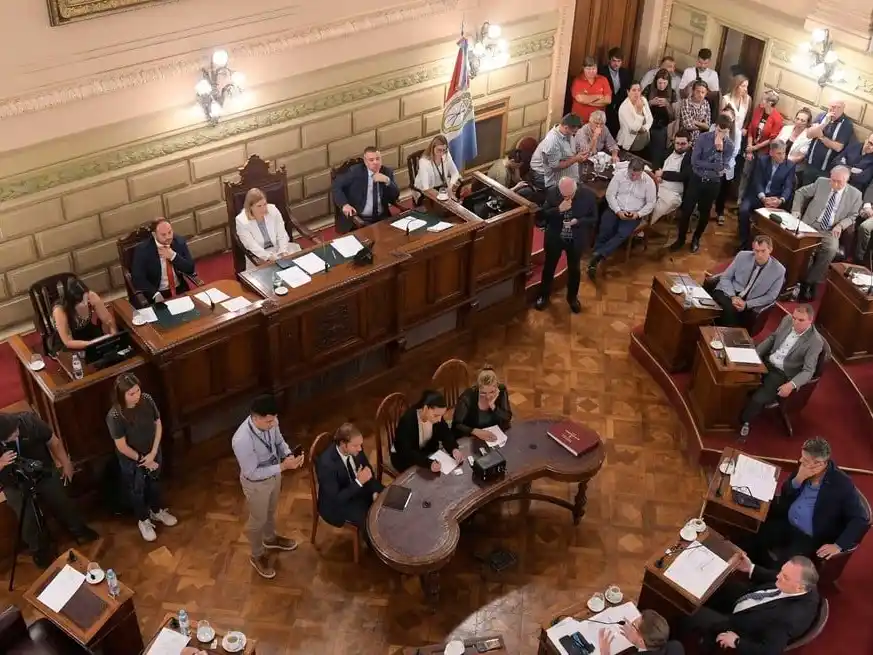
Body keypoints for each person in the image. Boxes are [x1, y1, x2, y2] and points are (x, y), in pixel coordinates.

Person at [743, 437, 869, 568]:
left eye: (806, 460)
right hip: (787, 522)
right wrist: (798, 479)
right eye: (802, 457)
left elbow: (860, 519)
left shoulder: (841, 484)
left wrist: (838, 545)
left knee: (784, 568)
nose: (801, 461)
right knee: (752, 539)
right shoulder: (803, 467)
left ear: (819, 464)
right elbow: (786, 492)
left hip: (808, 537)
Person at [0, 411, 98, 567]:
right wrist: (1, 463)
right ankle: (39, 550)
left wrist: (66, 463)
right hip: (13, 483)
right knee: (27, 519)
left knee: (62, 501)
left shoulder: (29, 422)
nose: (17, 433)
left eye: (16, 429)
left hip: (42, 471)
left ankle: (79, 530)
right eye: (12, 435)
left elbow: (54, 442)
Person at [683, 553, 819, 654]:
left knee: (692, 614)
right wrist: (750, 568)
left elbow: (769, 652)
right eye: (782, 571)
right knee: (720, 585)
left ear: (800, 588)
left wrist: (737, 642)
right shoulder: (805, 584)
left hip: (738, 625)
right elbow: (774, 576)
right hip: (751, 599)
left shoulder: (787, 620)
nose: (778, 576)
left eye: (785, 577)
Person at [231, 395, 304, 579]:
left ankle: (270, 539)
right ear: (255, 418)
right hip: (256, 484)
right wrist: (282, 466)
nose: (273, 424)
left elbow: (279, 442)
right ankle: (256, 555)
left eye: (274, 419)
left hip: (275, 473)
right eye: (269, 421)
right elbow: (252, 473)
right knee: (257, 520)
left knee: (270, 511)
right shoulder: (241, 440)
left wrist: (288, 455)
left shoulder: (272, 421)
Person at [105, 373, 177, 542]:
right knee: (137, 489)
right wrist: (143, 459)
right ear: (121, 395)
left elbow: (157, 423)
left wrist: (153, 453)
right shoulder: (115, 415)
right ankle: (143, 519)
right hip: (133, 460)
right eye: (131, 393)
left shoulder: (147, 399)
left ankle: (157, 510)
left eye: (137, 390)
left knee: (155, 482)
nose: (136, 395)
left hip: (152, 451)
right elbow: (121, 445)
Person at [738, 305, 824, 440]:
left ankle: (744, 421)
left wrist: (791, 385)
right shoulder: (787, 320)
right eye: (794, 317)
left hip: (781, 373)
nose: (795, 322)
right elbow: (773, 338)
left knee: (757, 399)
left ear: (810, 321)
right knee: (738, 376)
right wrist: (756, 353)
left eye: (800, 320)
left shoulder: (815, 342)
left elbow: (808, 370)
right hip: (768, 360)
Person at [791, 166, 862, 300]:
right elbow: (800, 192)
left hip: (830, 229)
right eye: (832, 180)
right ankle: (796, 280)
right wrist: (796, 211)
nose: (834, 184)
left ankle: (810, 282)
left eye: (838, 182)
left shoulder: (855, 195)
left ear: (846, 181)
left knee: (831, 249)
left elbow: (853, 216)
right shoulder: (821, 182)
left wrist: (841, 225)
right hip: (810, 225)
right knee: (806, 248)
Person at [669, 113, 734, 253]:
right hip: (696, 180)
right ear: (715, 127)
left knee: (704, 214)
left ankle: (696, 239)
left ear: (729, 131)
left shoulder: (729, 146)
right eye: (719, 131)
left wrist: (719, 150)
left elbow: (721, 168)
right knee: (686, 211)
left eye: (724, 132)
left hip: (713, 184)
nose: (721, 135)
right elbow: (694, 162)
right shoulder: (702, 138)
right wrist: (713, 166)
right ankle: (680, 240)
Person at [535, 178, 598, 313]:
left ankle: (572, 298)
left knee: (574, 270)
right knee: (549, 268)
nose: (567, 197)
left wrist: (578, 221)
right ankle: (544, 296)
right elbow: (542, 215)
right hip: (555, 237)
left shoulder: (588, 195)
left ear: (576, 189)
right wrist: (558, 209)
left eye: (570, 195)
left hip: (575, 238)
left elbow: (593, 218)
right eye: (564, 195)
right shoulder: (552, 192)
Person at [587, 158, 657, 279]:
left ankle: (598, 255)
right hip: (615, 209)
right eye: (632, 174)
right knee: (605, 228)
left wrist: (638, 214)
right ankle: (596, 258)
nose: (634, 177)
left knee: (622, 233)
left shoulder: (648, 182)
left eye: (637, 175)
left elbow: (651, 203)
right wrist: (618, 211)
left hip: (633, 213)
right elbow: (610, 194)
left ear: (642, 172)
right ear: (628, 169)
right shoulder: (619, 175)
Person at [315, 422, 383, 531]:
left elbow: (367, 469)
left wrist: (373, 491)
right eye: (355, 446)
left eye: (360, 444)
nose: (360, 449)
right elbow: (336, 499)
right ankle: (374, 544)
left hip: (354, 489)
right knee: (368, 521)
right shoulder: (326, 465)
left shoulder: (356, 448)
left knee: (385, 495)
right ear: (343, 444)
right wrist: (359, 482)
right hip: (337, 505)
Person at [712, 235, 785, 328]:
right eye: (756, 251)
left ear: (770, 249)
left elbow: (771, 296)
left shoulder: (779, 270)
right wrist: (733, 296)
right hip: (729, 293)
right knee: (728, 309)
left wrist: (747, 304)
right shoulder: (742, 255)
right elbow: (726, 277)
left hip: (749, 302)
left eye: (763, 251)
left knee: (734, 314)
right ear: (753, 248)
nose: (759, 255)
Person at [737, 141, 796, 250]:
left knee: (774, 220)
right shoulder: (761, 160)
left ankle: (766, 246)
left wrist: (781, 200)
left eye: (784, 153)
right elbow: (757, 181)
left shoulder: (790, 166)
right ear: (771, 153)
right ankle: (743, 243)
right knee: (743, 211)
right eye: (779, 153)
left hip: (774, 199)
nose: (782, 156)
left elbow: (788, 187)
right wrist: (763, 198)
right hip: (757, 195)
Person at [331, 146, 400, 233]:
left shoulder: (386, 172)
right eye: (371, 160)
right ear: (365, 161)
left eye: (378, 159)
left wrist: (388, 181)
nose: (375, 162)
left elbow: (395, 196)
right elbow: (336, 186)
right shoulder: (354, 172)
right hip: (359, 218)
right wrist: (344, 205)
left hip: (381, 218)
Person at [391, 390, 461, 473]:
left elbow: (445, 433)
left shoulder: (436, 417)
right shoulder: (408, 421)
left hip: (424, 452)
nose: (439, 419)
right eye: (436, 415)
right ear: (425, 408)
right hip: (404, 458)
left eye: (441, 416)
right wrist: (428, 463)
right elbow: (406, 451)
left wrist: (453, 449)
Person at [131, 218, 197, 304]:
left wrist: (173, 256)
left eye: (170, 232)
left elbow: (190, 269)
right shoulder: (143, 250)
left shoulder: (179, 242)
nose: (168, 237)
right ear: (154, 235)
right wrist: (154, 293)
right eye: (163, 235)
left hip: (179, 290)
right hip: (157, 293)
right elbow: (137, 278)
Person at [235, 187, 300, 270]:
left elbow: (282, 233)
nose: (263, 208)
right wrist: (269, 256)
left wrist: (283, 251)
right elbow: (251, 245)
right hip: (259, 255)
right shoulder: (241, 220)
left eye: (265, 204)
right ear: (250, 207)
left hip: (278, 248)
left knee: (297, 266)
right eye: (259, 206)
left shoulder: (273, 210)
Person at [737, 90, 784, 202]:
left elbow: (771, 139)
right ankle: (740, 199)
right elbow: (751, 129)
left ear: (770, 103)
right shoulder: (758, 110)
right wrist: (749, 147)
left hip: (764, 151)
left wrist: (754, 148)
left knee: (757, 176)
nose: (761, 101)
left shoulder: (777, 118)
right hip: (751, 146)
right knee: (745, 173)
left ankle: (751, 201)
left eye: (764, 99)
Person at [51, 277, 116, 352]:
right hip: (68, 341)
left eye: (86, 298)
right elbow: (68, 342)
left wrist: (113, 335)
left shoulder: (90, 296)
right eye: (81, 302)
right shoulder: (59, 310)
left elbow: (108, 321)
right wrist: (91, 344)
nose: (86, 303)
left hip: (87, 331)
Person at [802, 99, 854, 186]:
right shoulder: (822, 116)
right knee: (804, 191)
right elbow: (809, 134)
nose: (834, 110)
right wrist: (823, 123)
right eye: (832, 107)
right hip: (810, 164)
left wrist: (821, 137)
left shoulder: (846, 124)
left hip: (827, 170)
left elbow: (838, 147)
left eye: (838, 107)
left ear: (843, 109)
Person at [452, 366, 513, 439]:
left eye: (492, 392)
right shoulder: (467, 397)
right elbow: (456, 425)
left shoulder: (502, 391)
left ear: (497, 387)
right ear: (478, 388)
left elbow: (507, 417)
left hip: (494, 436)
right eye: (483, 393)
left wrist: (493, 406)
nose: (488, 397)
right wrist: (474, 431)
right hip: (472, 437)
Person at [528, 114, 585, 189]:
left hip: (554, 168)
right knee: (568, 190)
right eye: (573, 132)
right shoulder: (552, 142)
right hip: (542, 175)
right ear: (566, 127)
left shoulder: (565, 133)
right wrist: (575, 159)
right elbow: (556, 166)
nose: (574, 134)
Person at [650, 130, 691, 225]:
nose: (680, 146)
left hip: (674, 192)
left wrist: (663, 174)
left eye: (683, 144)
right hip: (658, 183)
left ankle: (643, 226)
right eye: (677, 143)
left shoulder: (691, 157)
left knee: (658, 207)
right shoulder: (671, 149)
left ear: (689, 143)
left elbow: (683, 176)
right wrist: (657, 172)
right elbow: (657, 159)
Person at [598, 609, 683, 655]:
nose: (630, 624)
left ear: (641, 641)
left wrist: (605, 653)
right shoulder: (676, 646)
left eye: (633, 625)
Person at [712, 104, 743, 226]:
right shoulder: (714, 127)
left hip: (727, 165)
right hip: (713, 163)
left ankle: (720, 212)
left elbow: (735, 150)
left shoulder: (737, 133)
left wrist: (724, 163)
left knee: (723, 191)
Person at [642, 69, 677, 168]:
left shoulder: (672, 93)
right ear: (655, 81)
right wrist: (650, 103)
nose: (662, 86)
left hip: (662, 126)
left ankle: (654, 168)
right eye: (660, 83)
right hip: (647, 123)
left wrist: (667, 105)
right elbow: (639, 106)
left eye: (664, 83)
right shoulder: (649, 89)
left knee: (657, 150)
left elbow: (673, 115)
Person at [599, 48, 632, 137]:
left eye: (619, 61)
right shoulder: (602, 71)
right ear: (609, 60)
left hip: (619, 110)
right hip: (605, 108)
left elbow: (627, 91)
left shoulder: (625, 73)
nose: (616, 63)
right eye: (614, 60)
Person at [569, 56, 611, 124]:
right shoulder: (577, 81)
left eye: (594, 68)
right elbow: (581, 99)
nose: (591, 71)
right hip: (579, 122)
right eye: (588, 69)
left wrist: (587, 102)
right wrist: (598, 96)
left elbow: (608, 100)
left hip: (598, 122)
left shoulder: (603, 80)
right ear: (583, 68)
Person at [617, 82, 653, 155]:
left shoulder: (643, 100)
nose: (637, 93)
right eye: (634, 90)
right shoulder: (624, 107)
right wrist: (639, 111)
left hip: (645, 141)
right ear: (628, 92)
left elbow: (650, 118)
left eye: (639, 90)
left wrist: (644, 129)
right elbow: (634, 128)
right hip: (631, 144)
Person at [678, 80, 711, 145]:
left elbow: (708, 126)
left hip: (700, 140)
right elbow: (688, 126)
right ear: (693, 91)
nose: (700, 95)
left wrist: (695, 122)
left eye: (703, 92)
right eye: (698, 92)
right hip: (686, 138)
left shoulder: (706, 103)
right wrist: (703, 125)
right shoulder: (686, 102)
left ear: (706, 93)